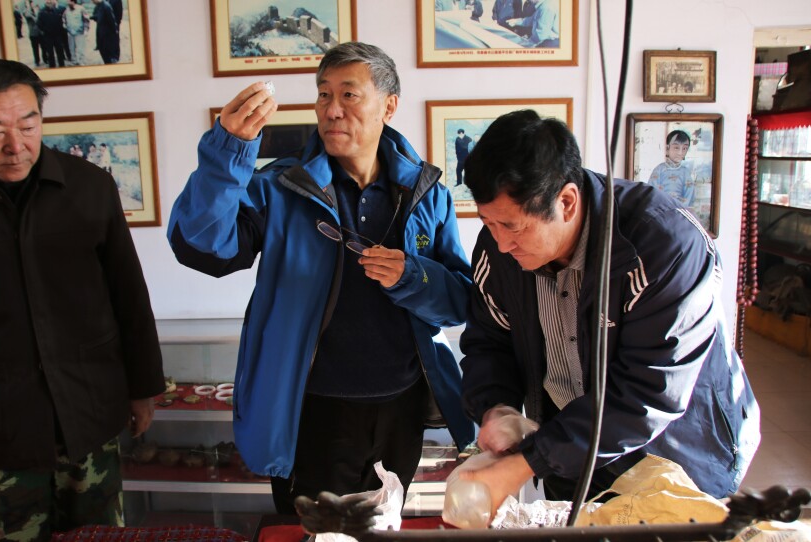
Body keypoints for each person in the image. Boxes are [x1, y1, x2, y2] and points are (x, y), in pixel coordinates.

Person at [168, 42, 474, 514]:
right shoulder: (280, 186)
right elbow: (204, 247)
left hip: (401, 410)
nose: (331, 110)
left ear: (389, 105)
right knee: (311, 531)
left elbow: (457, 303)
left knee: (383, 525)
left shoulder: (426, 191)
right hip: (308, 410)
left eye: (349, 96)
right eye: (322, 95)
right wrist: (225, 154)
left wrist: (415, 276)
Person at [457, 110, 760, 512]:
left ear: (566, 202)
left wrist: (527, 463)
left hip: (675, 449)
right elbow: (489, 340)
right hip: (571, 443)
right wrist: (497, 407)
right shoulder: (496, 251)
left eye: (512, 226)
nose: (500, 243)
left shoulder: (665, 247)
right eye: (487, 223)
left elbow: (648, 392)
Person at [0, 58, 165, 541]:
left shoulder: (88, 187)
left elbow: (129, 295)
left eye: (28, 124)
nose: (16, 146)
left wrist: (144, 386)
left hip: (91, 418)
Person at [648, 129, 696, 208]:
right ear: (667, 148)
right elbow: (652, 192)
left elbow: (689, 193)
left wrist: (679, 208)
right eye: (676, 148)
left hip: (680, 210)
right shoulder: (659, 169)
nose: (680, 152)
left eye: (684, 148)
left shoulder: (685, 172)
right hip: (661, 209)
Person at [37, 0, 67, 67]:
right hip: (48, 36)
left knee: (60, 51)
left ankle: (62, 65)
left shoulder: (57, 11)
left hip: (57, 35)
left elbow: (60, 22)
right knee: (50, 53)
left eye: (50, 2)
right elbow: (39, 24)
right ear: (45, 3)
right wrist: (44, 31)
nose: (49, 4)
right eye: (48, 2)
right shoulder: (41, 12)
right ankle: (52, 66)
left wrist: (60, 31)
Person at [91, 0, 120, 64]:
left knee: (107, 54)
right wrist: (91, 17)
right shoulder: (98, 6)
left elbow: (112, 21)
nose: (92, 2)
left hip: (107, 35)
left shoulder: (106, 6)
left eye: (92, 0)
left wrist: (115, 32)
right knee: (102, 51)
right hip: (101, 34)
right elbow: (97, 16)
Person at [63, 0, 90, 65]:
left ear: (73, 1)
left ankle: (81, 61)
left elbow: (86, 20)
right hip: (70, 33)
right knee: (71, 48)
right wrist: (65, 26)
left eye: (69, 1)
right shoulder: (66, 10)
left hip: (79, 32)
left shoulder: (81, 9)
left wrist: (86, 30)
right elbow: (64, 19)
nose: (68, 3)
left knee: (80, 48)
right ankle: (74, 61)